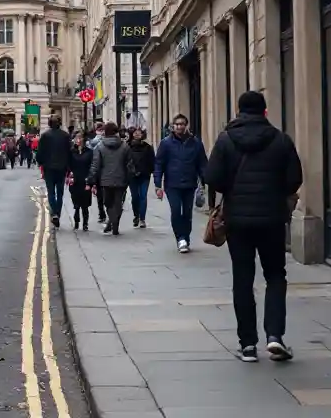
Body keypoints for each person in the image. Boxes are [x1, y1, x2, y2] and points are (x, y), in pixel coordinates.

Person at [205, 91, 302, 363]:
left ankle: (248, 345)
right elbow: (295, 179)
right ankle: (274, 336)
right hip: (272, 219)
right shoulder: (281, 140)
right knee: (275, 276)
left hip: (238, 221)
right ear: (265, 112)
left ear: (238, 111)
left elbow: (213, 177)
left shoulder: (226, 140)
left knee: (243, 279)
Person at [154, 113, 207, 253]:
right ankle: (180, 238)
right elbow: (159, 164)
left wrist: (205, 180)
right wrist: (157, 184)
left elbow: (202, 163)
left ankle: (186, 238)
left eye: (182, 124)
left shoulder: (195, 143)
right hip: (172, 184)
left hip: (190, 184)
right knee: (176, 211)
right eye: (177, 124)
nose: (179, 126)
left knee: (188, 213)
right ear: (173, 126)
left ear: (186, 125)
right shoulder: (166, 143)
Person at [88, 122, 130, 236]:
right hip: (121, 179)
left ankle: (112, 222)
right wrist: (130, 177)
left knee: (108, 203)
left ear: (105, 132)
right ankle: (114, 223)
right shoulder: (125, 146)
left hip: (105, 180)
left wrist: (91, 179)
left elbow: (95, 165)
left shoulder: (99, 146)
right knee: (118, 203)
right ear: (116, 132)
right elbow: (129, 164)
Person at [36, 115, 73, 228]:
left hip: (49, 168)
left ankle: (54, 214)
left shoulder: (45, 136)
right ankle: (58, 213)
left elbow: (40, 152)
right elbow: (69, 152)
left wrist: (41, 162)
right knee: (60, 192)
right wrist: (69, 167)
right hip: (62, 168)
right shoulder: (65, 136)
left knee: (51, 192)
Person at [127, 127, 156, 229]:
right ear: (131, 134)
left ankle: (142, 219)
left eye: (139, 132)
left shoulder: (148, 147)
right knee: (135, 197)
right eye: (135, 132)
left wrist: (153, 172)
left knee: (143, 196)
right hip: (132, 176)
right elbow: (125, 161)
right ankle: (136, 215)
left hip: (144, 175)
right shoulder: (127, 147)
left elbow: (152, 161)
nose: (137, 133)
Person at [66, 131, 95, 231]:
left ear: (84, 139)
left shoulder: (89, 152)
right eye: (76, 138)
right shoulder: (71, 152)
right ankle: (77, 221)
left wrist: (91, 181)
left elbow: (92, 167)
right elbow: (68, 165)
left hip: (86, 180)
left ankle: (85, 224)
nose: (78, 140)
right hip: (75, 180)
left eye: (80, 138)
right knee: (76, 204)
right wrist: (69, 174)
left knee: (85, 204)